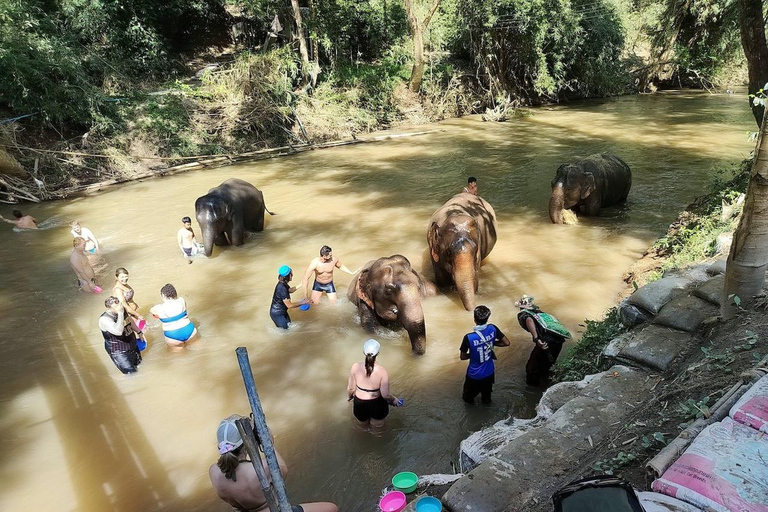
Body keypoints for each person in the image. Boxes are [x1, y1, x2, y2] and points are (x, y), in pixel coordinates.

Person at [209, 415, 338, 512]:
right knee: (331, 508)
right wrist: (268, 444)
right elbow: (283, 471)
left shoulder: (213, 472)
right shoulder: (259, 470)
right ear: (247, 442)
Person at [515, 294, 571, 386]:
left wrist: (536, 339)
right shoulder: (540, 313)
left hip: (545, 342)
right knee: (548, 363)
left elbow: (529, 321)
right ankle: (547, 380)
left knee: (532, 368)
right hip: (558, 340)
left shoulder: (524, 314)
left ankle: (533, 390)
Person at [459, 305, 511, 404]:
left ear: (474, 319)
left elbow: (462, 357)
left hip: (474, 375)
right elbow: (506, 343)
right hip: (489, 373)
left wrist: (473, 354)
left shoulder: (469, 337)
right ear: (487, 318)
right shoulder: (493, 328)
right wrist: (491, 342)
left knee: (468, 399)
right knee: (487, 399)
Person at [347, 339, 401, 427]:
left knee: (361, 427)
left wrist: (350, 398)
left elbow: (351, 388)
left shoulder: (355, 367)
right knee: (377, 429)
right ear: (378, 353)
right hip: (377, 404)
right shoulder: (382, 371)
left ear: (363, 352)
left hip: (360, 403)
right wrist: (394, 399)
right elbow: (386, 395)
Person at [99, 296, 141, 374]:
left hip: (131, 344)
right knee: (131, 374)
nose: (120, 306)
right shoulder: (105, 319)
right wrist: (120, 313)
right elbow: (118, 331)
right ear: (110, 308)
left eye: (119, 303)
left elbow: (129, 320)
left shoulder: (122, 310)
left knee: (140, 365)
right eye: (117, 305)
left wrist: (139, 332)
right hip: (119, 351)